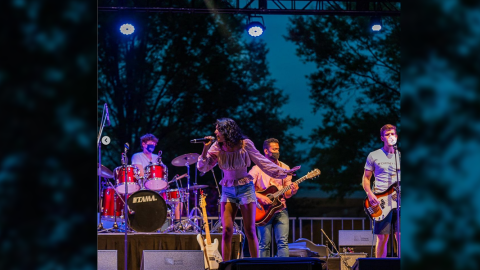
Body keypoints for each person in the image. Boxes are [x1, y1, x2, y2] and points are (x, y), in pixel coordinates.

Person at [197, 118, 300, 261]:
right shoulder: (217, 146)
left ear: (227, 131)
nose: (215, 132)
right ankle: (226, 265)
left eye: (218, 129)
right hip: (228, 189)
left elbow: (262, 162)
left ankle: (255, 265)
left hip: (245, 188)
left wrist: (284, 172)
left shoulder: (245, 144)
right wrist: (205, 148)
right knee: (226, 230)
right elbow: (203, 167)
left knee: (250, 230)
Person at [250, 138, 299, 258]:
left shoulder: (285, 168)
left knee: (283, 243)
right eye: (274, 149)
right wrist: (260, 197)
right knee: (264, 244)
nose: (277, 151)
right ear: (266, 151)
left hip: (280, 209)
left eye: (278, 149)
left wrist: (293, 191)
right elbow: (247, 186)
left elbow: (286, 194)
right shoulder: (258, 168)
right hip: (263, 211)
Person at [362, 124, 401, 258]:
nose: (390, 136)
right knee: (382, 238)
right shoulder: (374, 155)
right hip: (381, 201)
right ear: (382, 138)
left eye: (393, 134)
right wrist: (369, 193)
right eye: (387, 134)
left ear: (396, 136)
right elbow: (366, 178)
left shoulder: (401, 157)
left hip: (399, 202)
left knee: (401, 237)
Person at [131, 133, 181, 221]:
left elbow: (163, 172)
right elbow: (141, 173)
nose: (153, 146)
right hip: (143, 189)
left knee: (177, 198)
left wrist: (164, 183)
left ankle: (177, 224)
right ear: (143, 144)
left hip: (158, 189)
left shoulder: (156, 157)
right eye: (151, 144)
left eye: (154, 144)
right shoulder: (137, 156)